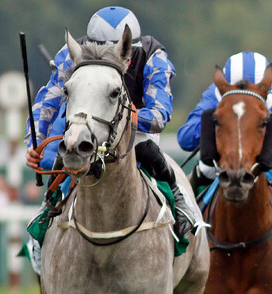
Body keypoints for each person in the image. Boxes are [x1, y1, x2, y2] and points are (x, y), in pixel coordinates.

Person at [25, 6, 196, 237]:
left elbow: (159, 115)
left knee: (145, 146)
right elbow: (47, 101)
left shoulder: (154, 56)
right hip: (86, 124)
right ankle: (51, 203)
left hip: (134, 129)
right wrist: (34, 142)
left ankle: (177, 197)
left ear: (128, 49)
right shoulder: (72, 52)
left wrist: (128, 116)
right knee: (67, 148)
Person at [176, 51, 272, 195]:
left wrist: (256, 125)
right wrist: (218, 120)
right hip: (223, 156)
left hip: (267, 156)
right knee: (205, 170)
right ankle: (182, 212)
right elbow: (185, 139)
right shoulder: (215, 93)